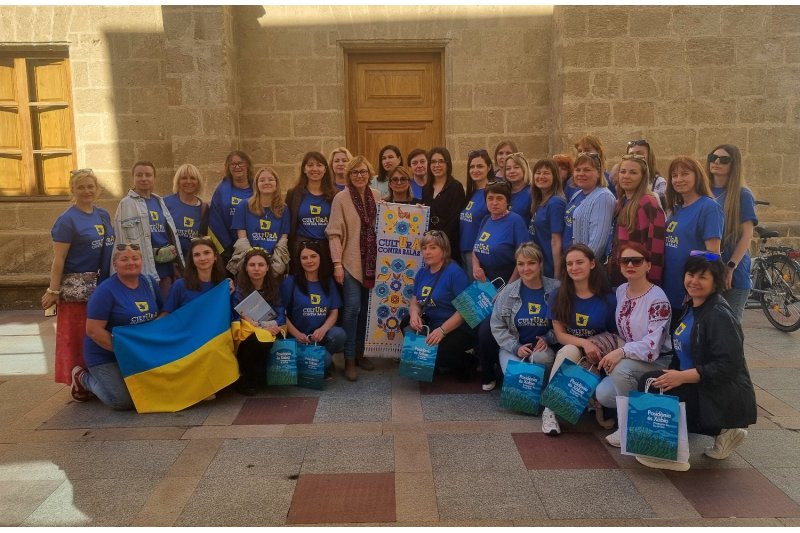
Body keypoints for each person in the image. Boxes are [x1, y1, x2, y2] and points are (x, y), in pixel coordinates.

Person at [634, 252, 757, 472]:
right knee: (651, 381)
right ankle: (725, 432)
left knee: (653, 387)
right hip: (697, 382)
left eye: (702, 277)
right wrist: (674, 374)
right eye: (690, 274)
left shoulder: (719, 315)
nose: (694, 281)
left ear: (715, 282)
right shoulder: (692, 307)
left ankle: (672, 455)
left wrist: (682, 377)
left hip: (718, 393)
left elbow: (729, 366)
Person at [43, 169, 115, 391]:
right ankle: (78, 380)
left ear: (97, 189)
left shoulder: (102, 214)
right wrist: (53, 291)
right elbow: (59, 259)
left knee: (98, 332)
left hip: (102, 284)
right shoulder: (67, 220)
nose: (86, 191)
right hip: (78, 290)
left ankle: (99, 378)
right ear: (72, 190)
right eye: (81, 187)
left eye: (90, 186)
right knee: (77, 335)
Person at [595, 243, 672, 447]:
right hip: (632, 357)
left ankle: (629, 427)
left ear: (648, 265)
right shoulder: (622, 290)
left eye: (636, 261)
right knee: (603, 394)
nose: (630, 265)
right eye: (624, 261)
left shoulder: (657, 299)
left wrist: (621, 352)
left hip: (657, 361)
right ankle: (643, 407)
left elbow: (653, 346)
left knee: (620, 369)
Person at [70, 243, 161, 410]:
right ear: (115, 264)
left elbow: (162, 313)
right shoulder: (105, 291)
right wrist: (125, 351)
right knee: (122, 401)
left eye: (135, 258)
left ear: (141, 261)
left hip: (139, 352)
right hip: (105, 354)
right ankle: (83, 378)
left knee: (153, 392)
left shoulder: (149, 283)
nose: (131, 263)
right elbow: (93, 330)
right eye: (124, 259)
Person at [541, 244, 618, 436]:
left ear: (592, 264)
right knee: (570, 350)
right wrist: (584, 343)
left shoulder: (608, 299)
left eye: (579, 262)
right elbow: (560, 335)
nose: (574, 267)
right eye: (569, 264)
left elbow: (613, 334)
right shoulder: (557, 295)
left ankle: (592, 399)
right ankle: (549, 411)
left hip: (599, 356)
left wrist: (594, 347)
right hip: (571, 351)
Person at [326, 155, 382, 380]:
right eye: (355, 172)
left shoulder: (376, 196)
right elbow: (334, 233)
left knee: (367, 312)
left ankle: (360, 353)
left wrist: (415, 211)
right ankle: (348, 358)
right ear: (348, 176)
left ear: (369, 174)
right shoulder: (341, 198)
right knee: (352, 309)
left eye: (363, 172)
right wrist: (337, 264)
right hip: (350, 262)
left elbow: (391, 219)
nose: (360, 176)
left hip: (373, 263)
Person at [482, 243, 560, 391]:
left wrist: (548, 338)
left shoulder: (556, 289)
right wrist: (515, 347)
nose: (526, 268)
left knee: (542, 358)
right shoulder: (507, 292)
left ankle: (543, 390)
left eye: (531, 263)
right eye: (521, 264)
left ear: (540, 264)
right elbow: (497, 325)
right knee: (518, 378)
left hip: (543, 349)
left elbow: (566, 324)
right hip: (513, 347)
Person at [405, 230, 476, 382]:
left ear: (444, 250)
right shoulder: (422, 272)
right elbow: (415, 301)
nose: (427, 252)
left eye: (433, 247)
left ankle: (468, 362)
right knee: (406, 324)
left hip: (456, 327)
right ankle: (435, 363)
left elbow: (466, 310)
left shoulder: (455, 273)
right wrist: (414, 314)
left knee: (439, 350)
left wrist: (442, 331)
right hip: (432, 323)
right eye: (424, 248)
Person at [113, 160, 184, 299]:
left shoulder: (159, 201)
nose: (144, 178)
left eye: (148, 175)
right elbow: (120, 240)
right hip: (142, 271)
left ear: (154, 178)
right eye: (139, 175)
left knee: (165, 308)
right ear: (133, 178)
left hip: (165, 270)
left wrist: (176, 264)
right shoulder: (126, 204)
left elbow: (168, 235)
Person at [662, 156, 723, 314]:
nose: (678, 179)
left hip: (690, 292)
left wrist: (692, 260)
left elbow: (713, 255)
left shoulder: (709, 207)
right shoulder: (675, 209)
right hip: (669, 288)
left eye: (685, 174)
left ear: (697, 176)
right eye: (674, 175)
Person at [280, 240, 346, 380]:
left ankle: (319, 362)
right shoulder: (290, 282)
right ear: (299, 261)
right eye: (304, 258)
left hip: (319, 337)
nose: (309, 261)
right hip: (298, 338)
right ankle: (318, 363)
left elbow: (334, 311)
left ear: (320, 257)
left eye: (313, 256)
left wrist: (323, 329)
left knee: (339, 334)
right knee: (325, 360)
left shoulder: (328, 282)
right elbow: (281, 313)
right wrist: (297, 334)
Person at [708, 144, 756, 321]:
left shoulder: (743, 194)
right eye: (713, 158)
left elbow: (747, 236)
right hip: (709, 270)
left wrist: (730, 267)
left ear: (734, 164)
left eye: (724, 159)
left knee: (730, 327)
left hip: (734, 273)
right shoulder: (703, 191)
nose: (717, 162)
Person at [231, 247, 286, 395]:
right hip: (246, 333)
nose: (256, 269)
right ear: (246, 268)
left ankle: (255, 375)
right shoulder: (238, 291)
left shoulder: (273, 288)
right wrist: (257, 325)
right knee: (257, 340)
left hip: (270, 329)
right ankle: (244, 377)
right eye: (252, 265)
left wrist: (271, 325)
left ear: (267, 268)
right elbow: (236, 315)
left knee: (267, 337)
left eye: (261, 265)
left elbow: (280, 313)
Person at [607, 154, 666, 287]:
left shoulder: (648, 203)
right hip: (619, 273)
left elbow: (656, 247)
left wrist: (651, 285)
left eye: (633, 172)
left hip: (639, 279)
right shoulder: (621, 202)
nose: (626, 176)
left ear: (642, 177)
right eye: (623, 171)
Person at [285, 152, 337, 269]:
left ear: (325, 169)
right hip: (301, 250)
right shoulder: (293, 194)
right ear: (304, 169)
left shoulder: (335, 194)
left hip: (327, 250)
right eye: (310, 165)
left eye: (319, 165)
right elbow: (288, 223)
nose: (315, 169)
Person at [471, 181, 530, 285]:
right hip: (484, 284)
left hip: (506, 283)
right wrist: (476, 267)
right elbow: (475, 249)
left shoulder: (516, 221)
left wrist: (509, 287)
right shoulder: (486, 220)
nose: (494, 203)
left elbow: (524, 257)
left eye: (499, 198)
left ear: (507, 201)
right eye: (490, 198)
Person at [562, 152, 616, 260]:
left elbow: (598, 243)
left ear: (598, 173)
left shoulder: (603, 197)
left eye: (587, 170)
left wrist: (582, 264)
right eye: (577, 170)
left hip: (584, 264)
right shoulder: (577, 194)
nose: (581, 174)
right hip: (570, 261)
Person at [232, 166, 290, 256]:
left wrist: (275, 261)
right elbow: (242, 241)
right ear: (256, 185)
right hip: (249, 257)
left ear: (276, 184)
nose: (266, 182)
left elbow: (282, 241)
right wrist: (254, 259)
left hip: (275, 258)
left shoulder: (283, 208)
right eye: (262, 180)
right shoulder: (243, 206)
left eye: (270, 179)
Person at [162, 237, 229, 314]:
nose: (202, 258)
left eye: (207, 253)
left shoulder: (224, 285)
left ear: (215, 256)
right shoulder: (179, 286)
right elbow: (166, 315)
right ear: (192, 259)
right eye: (197, 255)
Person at [422, 147, 466, 263]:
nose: (437, 165)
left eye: (441, 161)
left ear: (448, 164)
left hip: (448, 245)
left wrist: (440, 244)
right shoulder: (426, 189)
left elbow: (455, 220)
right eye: (433, 162)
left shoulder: (456, 187)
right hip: (430, 246)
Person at [208, 150, 254, 262]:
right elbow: (215, 218)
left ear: (247, 165)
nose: (237, 167)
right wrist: (226, 246)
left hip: (254, 244)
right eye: (232, 164)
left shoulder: (257, 188)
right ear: (228, 167)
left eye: (240, 163)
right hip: (228, 246)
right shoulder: (221, 190)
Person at [459, 149, 494, 280]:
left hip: (478, 255)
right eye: (472, 166)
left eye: (480, 166)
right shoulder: (471, 193)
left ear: (489, 167)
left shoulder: (491, 193)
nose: (475, 170)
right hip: (464, 250)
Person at [529, 158, 566, 279]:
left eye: (546, 173)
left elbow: (556, 240)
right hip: (540, 264)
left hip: (550, 267)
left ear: (555, 177)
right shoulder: (540, 201)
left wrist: (557, 273)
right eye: (538, 173)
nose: (541, 176)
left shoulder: (555, 202)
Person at [164, 163, 209, 261]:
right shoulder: (166, 203)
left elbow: (203, 238)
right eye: (184, 178)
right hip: (170, 261)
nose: (189, 181)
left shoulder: (204, 208)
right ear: (178, 181)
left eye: (193, 178)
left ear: (198, 182)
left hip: (193, 262)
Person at [504, 152, 533, 225]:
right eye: (508, 168)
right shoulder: (504, 192)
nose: (512, 171)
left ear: (524, 169)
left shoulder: (532, 193)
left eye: (516, 167)